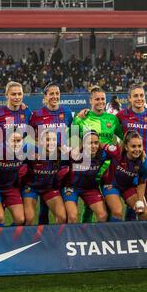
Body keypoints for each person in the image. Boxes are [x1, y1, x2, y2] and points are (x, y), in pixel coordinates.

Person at [72, 86, 124, 223]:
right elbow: (72, 141)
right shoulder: (81, 119)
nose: (100, 102)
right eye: (97, 99)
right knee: (89, 206)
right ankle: (86, 235)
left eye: (102, 99)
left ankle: (107, 236)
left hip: (108, 170)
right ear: (90, 101)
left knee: (109, 206)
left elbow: (125, 138)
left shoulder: (112, 119)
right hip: (88, 170)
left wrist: (119, 157)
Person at [116, 84, 147, 221]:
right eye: (135, 96)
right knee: (133, 204)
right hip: (129, 168)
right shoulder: (122, 115)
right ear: (129, 99)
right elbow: (109, 129)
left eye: (141, 95)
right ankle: (131, 235)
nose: (139, 98)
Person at [29, 82, 73, 225]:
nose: (55, 96)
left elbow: (72, 132)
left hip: (62, 162)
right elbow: (30, 137)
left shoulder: (66, 112)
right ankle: (44, 233)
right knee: (44, 204)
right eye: (51, 94)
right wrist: (42, 147)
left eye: (57, 93)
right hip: (44, 162)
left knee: (58, 199)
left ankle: (60, 233)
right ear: (45, 97)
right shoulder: (37, 115)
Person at [61, 131, 109, 223]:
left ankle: (95, 237)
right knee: (72, 217)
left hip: (90, 189)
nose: (93, 146)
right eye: (90, 143)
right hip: (71, 188)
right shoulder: (74, 154)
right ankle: (71, 237)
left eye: (96, 143)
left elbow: (119, 155)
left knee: (103, 216)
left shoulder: (102, 155)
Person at [101, 130, 147, 221]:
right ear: (126, 147)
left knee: (143, 213)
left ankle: (137, 235)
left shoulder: (144, 162)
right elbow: (101, 145)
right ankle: (113, 235)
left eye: (140, 146)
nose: (137, 149)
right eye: (133, 146)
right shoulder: (116, 151)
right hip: (111, 184)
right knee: (117, 212)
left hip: (128, 186)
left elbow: (142, 182)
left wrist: (139, 200)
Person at [21, 130, 67, 225]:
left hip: (49, 188)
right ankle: (23, 238)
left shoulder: (61, 154)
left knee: (62, 217)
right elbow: (16, 150)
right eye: (47, 140)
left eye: (54, 140)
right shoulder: (31, 150)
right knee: (29, 218)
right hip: (31, 188)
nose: (51, 142)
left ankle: (56, 238)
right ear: (40, 142)